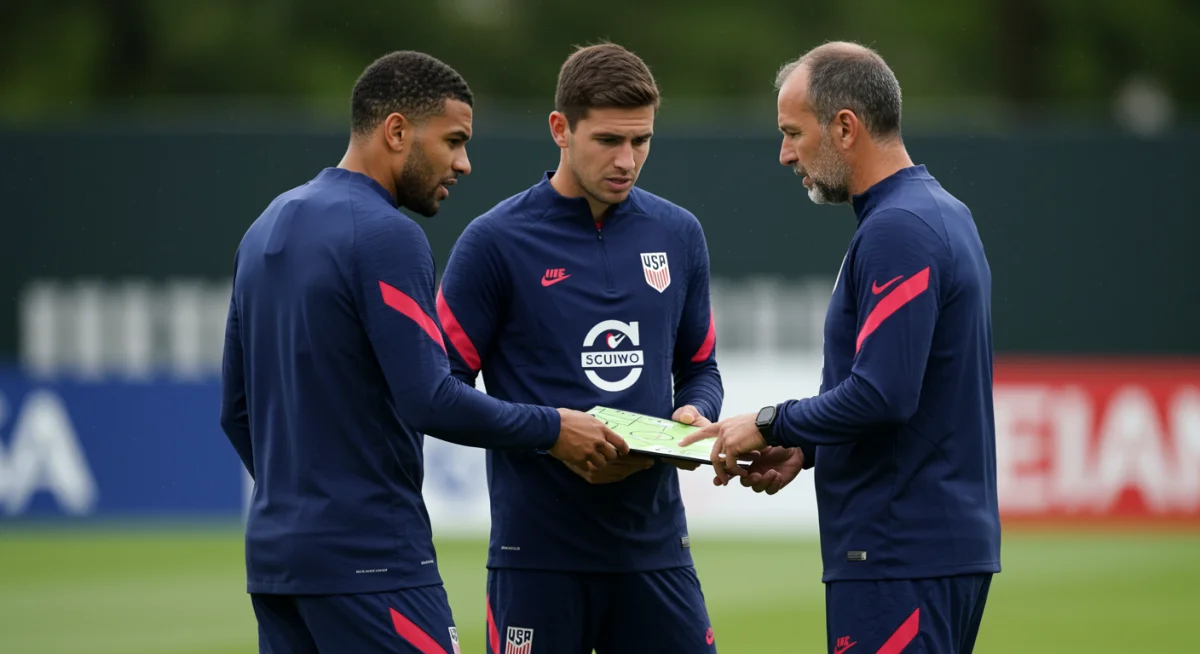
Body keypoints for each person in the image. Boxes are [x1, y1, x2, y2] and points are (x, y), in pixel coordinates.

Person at [219, 50, 628, 654]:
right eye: (454, 141)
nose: (464, 163)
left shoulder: (266, 228)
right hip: (373, 562)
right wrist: (553, 428)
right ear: (397, 130)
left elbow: (235, 409)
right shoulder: (387, 234)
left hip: (278, 562)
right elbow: (430, 398)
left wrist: (304, 502)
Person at [681, 42, 1001, 653]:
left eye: (792, 133)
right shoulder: (938, 212)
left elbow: (884, 394)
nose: (784, 154)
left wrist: (773, 423)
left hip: (898, 551)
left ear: (845, 127)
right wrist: (808, 447)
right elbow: (916, 388)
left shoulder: (898, 228)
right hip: (929, 548)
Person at [436, 43, 724, 654]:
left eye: (641, 141)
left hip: (655, 551)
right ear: (560, 129)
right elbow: (440, 393)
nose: (628, 160)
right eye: (608, 141)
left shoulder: (678, 233)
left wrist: (694, 414)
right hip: (537, 557)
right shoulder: (493, 242)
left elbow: (699, 366)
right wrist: (551, 432)